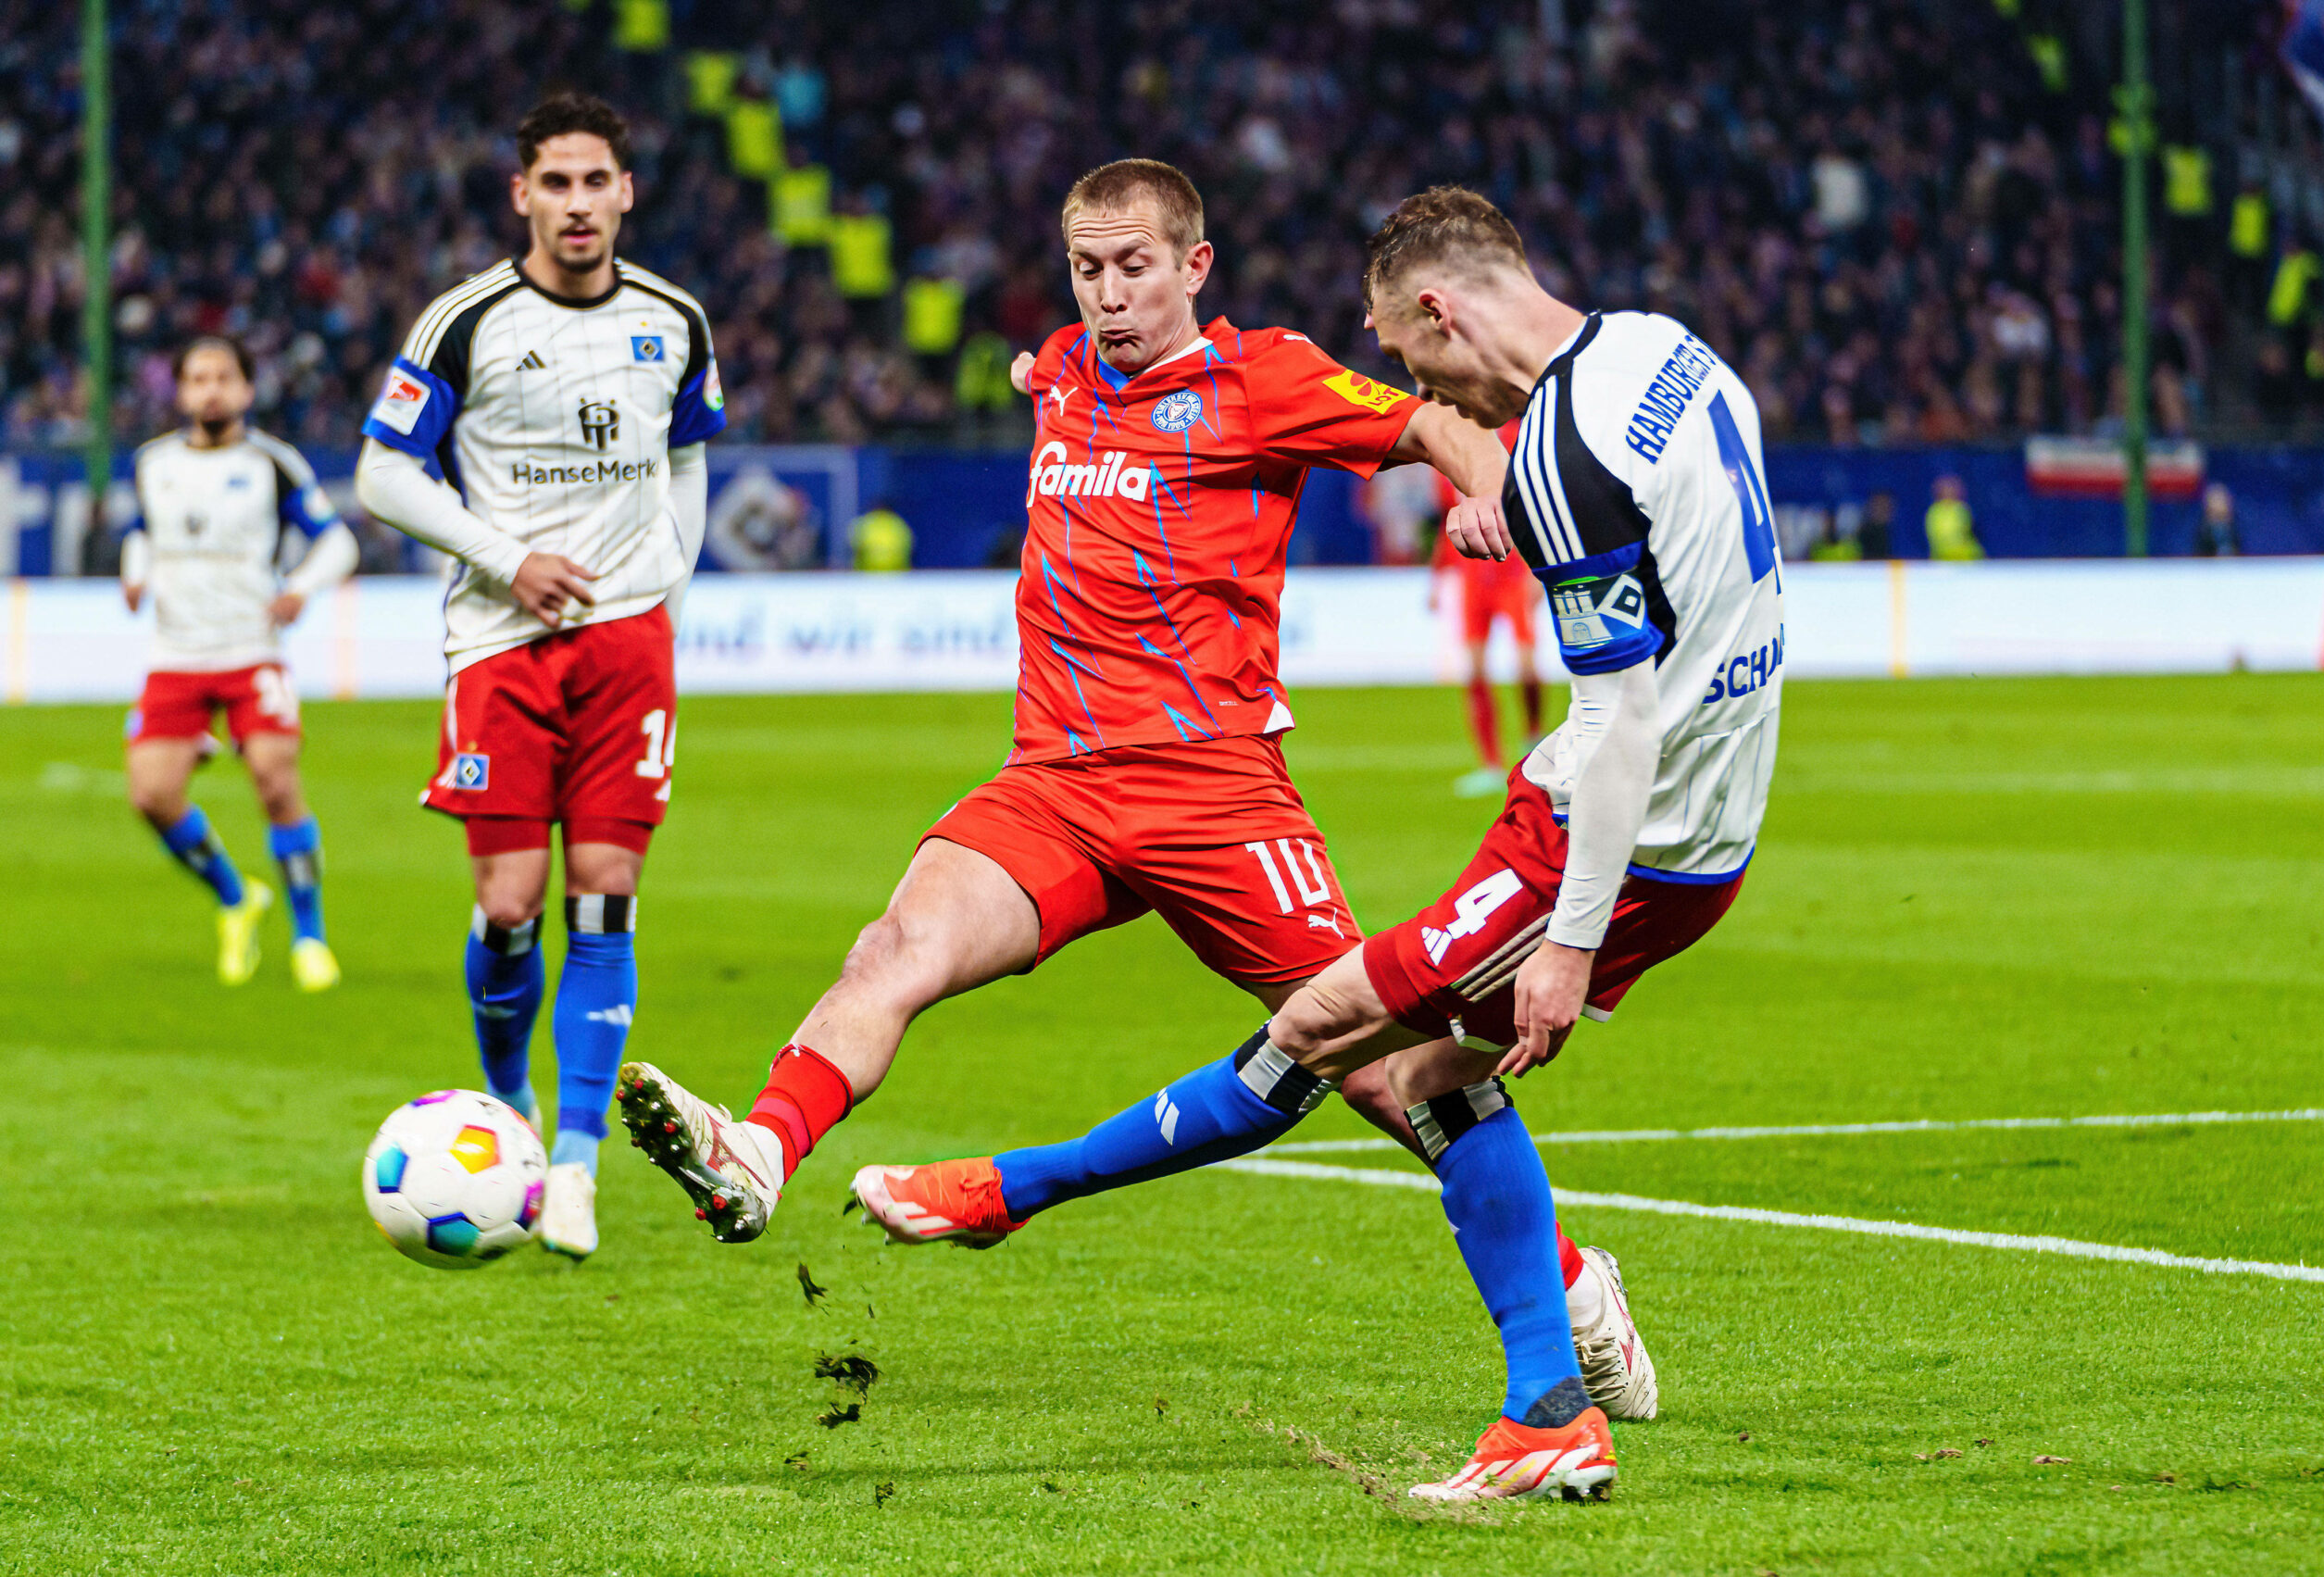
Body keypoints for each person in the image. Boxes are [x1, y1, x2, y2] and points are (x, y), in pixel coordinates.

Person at [841, 187, 1784, 1502]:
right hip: (1716, 815)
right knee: (1436, 1075)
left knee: (1326, 1035)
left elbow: (1623, 714)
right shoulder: (1665, 351)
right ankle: (1555, 1363)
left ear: (1440, 308)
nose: (1421, 384)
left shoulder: (1564, 453)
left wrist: (1569, 933)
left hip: (1616, 831)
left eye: (1410, 352)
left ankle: (1010, 1189)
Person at [612, 157, 1571, 1281]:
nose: (1108, 293)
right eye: (1086, 269)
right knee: (893, 949)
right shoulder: (1061, 370)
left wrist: (1481, 485)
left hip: (1211, 787)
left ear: (1192, 266)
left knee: (1377, 1063)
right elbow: (1058, 374)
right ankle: (759, 1149)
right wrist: (1040, 369)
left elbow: (1432, 425)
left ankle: (1567, 1281)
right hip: (1054, 785)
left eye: (1133, 266)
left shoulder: (1265, 378)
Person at [352, 92, 723, 1262]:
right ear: (522, 194)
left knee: (603, 891)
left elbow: (688, 462)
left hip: (628, 649)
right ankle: (505, 1097)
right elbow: (381, 475)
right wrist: (510, 558)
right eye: (553, 183)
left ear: (625, 192)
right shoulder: (464, 320)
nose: (576, 203)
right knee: (510, 903)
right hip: (502, 642)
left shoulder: (675, 317)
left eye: (594, 182)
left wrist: (665, 595)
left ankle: (572, 1164)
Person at [121, 335, 358, 990]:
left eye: (224, 377)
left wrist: (300, 589)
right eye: (198, 378)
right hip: (175, 653)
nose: (211, 389)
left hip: (251, 648)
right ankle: (236, 894)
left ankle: (308, 934)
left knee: (276, 781)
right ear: (180, 391)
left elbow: (337, 541)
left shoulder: (271, 463)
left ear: (248, 390)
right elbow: (141, 531)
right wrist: (135, 573)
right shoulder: (152, 464)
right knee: (151, 793)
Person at [1430, 432, 1546, 798]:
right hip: (1473, 578)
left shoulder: (1517, 436)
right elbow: (1448, 522)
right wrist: (1438, 576)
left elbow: (1533, 512)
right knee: (1475, 670)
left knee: (1527, 665)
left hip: (1512, 571)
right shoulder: (1445, 446)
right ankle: (1491, 764)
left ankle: (1533, 734)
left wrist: (1535, 570)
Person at [1924, 474, 1983, 560]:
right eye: (1947, 489)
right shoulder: (1934, 512)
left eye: (1952, 488)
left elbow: (1970, 534)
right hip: (1942, 560)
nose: (1950, 491)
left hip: (1968, 560)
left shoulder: (1962, 510)